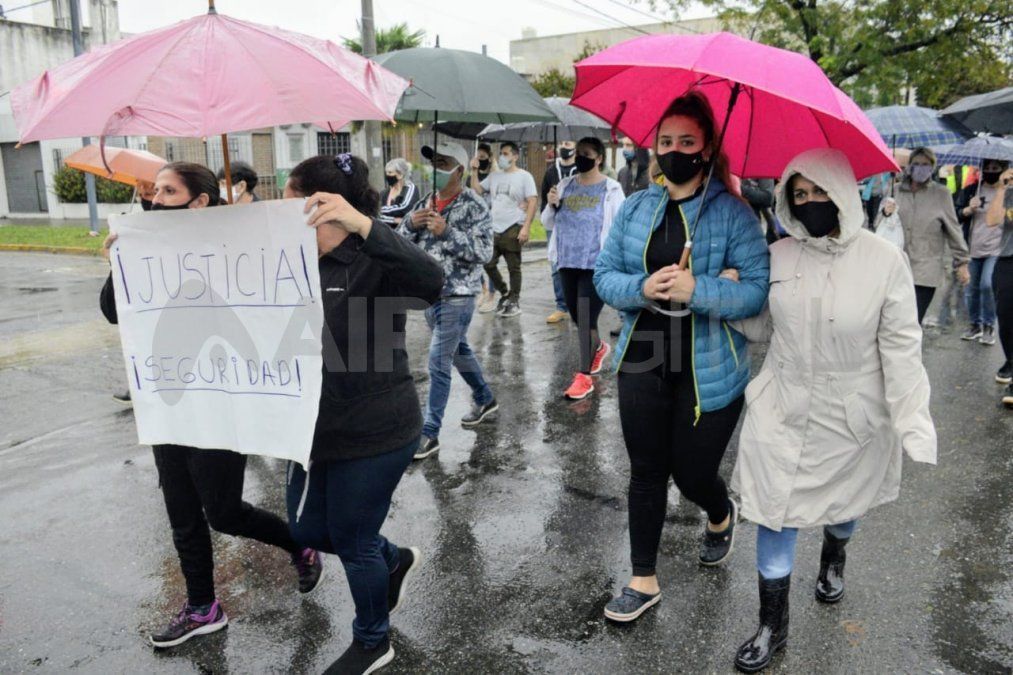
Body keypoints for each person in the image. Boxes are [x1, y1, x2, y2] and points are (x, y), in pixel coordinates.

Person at [728, 149, 937, 673]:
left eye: (821, 192)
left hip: (852, 413)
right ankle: (772, 625)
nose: (811, 203)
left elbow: (901, 347)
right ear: (786, 201)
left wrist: (912, 419)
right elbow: (765, 328)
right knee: (774, 510)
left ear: (843, 193)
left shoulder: (885, 261)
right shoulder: (778, 255)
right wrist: (728, 300)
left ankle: (834, 554)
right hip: (782, 401)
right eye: (799, 195)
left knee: (843, 509)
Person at [99, 162, 322, 649]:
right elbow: (117, 313)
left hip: (221, 402)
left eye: (168, 191)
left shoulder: (237, 245)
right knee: (182, 513)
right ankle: (203, 606)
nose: (155, 199)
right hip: (170, 403)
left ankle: (298, 544)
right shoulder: (146, 246)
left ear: (200, 201)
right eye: (154, 190)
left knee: (222, 512)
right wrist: (119, 266)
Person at [593, 92, 770, 623]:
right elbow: (605, 276)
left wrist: (701, 289)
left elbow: (757, 291)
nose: (673, 151)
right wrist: (644, 286)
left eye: (686, 142)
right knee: (647, 470)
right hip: (644, 352)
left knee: (693, 475)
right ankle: (642, 579)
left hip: (711, 362)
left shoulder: (734, 213)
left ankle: (719, 513)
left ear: (707, 147)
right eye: (665, 141)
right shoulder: (637, 206)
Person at [284, 152, 444, 674]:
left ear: (320, 206)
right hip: (313, 429)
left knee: (352, 538)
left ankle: (374, 641)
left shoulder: (376, 260)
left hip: (377, 429)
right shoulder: (287, 260)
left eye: (289, 197)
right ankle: (392, 559)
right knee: (309, 532)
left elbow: (431, 281)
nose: (279, 208)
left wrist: (364, 225)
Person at [398, 141, 498, 460]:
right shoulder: (428, 201)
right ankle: (485, 397)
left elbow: (485, 252)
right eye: (434, 161)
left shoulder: (474, 205)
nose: (436, 168)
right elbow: (403, 245)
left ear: (459, 169)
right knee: (458, 351)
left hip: (459, 294)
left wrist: (448, 232)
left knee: (438, 361)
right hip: (429, 294)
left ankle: (429, 434)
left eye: (443, 162)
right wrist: (409, 225)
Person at [542, 136, 625, 400]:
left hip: (596, 265)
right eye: (578, 153)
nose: (580, 157)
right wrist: (552, 202)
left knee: (586, 319)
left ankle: (584, 376)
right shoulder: (565, 185)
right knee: (579, 319)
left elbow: (620, 226)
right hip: (566, 261)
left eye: (586, 153)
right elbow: (547, 223)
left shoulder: (611, 189)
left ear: (599, 158)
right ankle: (598, 347)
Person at [886, 147, 970, 323]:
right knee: (892, 321)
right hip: (895, 267)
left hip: (925, 270)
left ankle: (911, 351)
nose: (920, 168)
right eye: (916, 164)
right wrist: (886, 212)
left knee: (912, 322)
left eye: (925, 164)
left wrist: (961, 262)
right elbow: (880, 224)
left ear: (932, 168)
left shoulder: (941, 194)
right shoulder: (895, 190)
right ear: (909, 167)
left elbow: (953, 229)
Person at [470, 141, 538, 317]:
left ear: (515, 156)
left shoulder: (525, 176)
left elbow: (532, 201)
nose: (502, 156)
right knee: (488, 262)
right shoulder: (494, 176)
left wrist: (526, 227)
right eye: (501, 153)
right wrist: (473, 170)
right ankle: (505, 292)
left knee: (513, 266)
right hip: (494, 228)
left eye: (506, 153)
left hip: (513, 226)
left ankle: (514, 300)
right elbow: (477, 190)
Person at [955, 159, 1009, 345]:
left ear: (1003, 170)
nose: (990, 171)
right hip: (973, 247)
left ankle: (988, 325)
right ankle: (974, 325)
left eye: (995, 168)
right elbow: (956, 216)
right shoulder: (972, 189)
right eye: (986, 167)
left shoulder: (1008, 192)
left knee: (987, 285)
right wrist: (969, 209)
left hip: (997, 249)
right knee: (971, 289)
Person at [541, 140, 580, 324]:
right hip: (556, 224)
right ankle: (561, 306)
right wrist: (551, 204)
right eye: (562, 142)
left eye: (568, 142)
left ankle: (579, 304)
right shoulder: (550, 172)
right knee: (556, 267)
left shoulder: (581, 170)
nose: (565, 145)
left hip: (576, 225)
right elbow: (544, 199)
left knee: (577, 265)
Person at [985, 166, 1013, 406]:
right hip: (1007, 259)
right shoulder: (1009, 191)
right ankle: (1010, 360)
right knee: (1004, 317)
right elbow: (992, 220)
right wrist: (1003, 188)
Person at [379, 157, 420, 228]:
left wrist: (381, 211)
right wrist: (394, 220)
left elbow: (406, 207)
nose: (387, 175)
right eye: (386, 172)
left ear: (400, 175)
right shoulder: (384, 193)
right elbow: (377, 216)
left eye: (390, 172)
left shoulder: (410, 188)